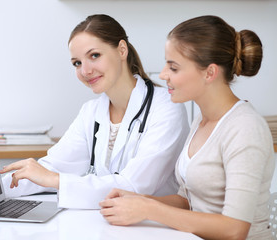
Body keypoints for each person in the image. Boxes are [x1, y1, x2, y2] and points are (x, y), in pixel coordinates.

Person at [100, 15, 275, 239]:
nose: (163, 75)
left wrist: (150, 209)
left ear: (210, 73)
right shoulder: (201, 121)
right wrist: (139, 201)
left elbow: (234, 229)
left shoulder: (245, 129)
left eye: (173, 68)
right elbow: (188, 200)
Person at [0, 14, 189, 209]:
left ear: (121, 50)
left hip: (155, 228)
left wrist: (54, 179)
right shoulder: (91, 112)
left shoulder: (166, 107)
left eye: (94, 56)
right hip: (109, 223)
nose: (85, 71)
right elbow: (52, 167)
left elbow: (132, 187)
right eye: (77, 63)